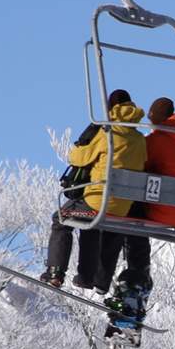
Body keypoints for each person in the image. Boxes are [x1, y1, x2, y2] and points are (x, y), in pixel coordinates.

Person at [41, 89, 147, 296]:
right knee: (91, 226)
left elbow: (78, 158)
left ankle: (55, 272)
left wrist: (82, 144)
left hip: (97, 203)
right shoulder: (140, 139)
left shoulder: (108, 133)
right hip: (122, 207)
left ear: (111, 108)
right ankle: (88, 278)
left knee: (61, 219)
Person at [107, 97, 175, 331]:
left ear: (155, 117)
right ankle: (137, 281)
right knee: (135, 220)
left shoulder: (155, 141)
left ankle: (132, 280)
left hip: (158, 212)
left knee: (128, 211)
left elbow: (138, 168)